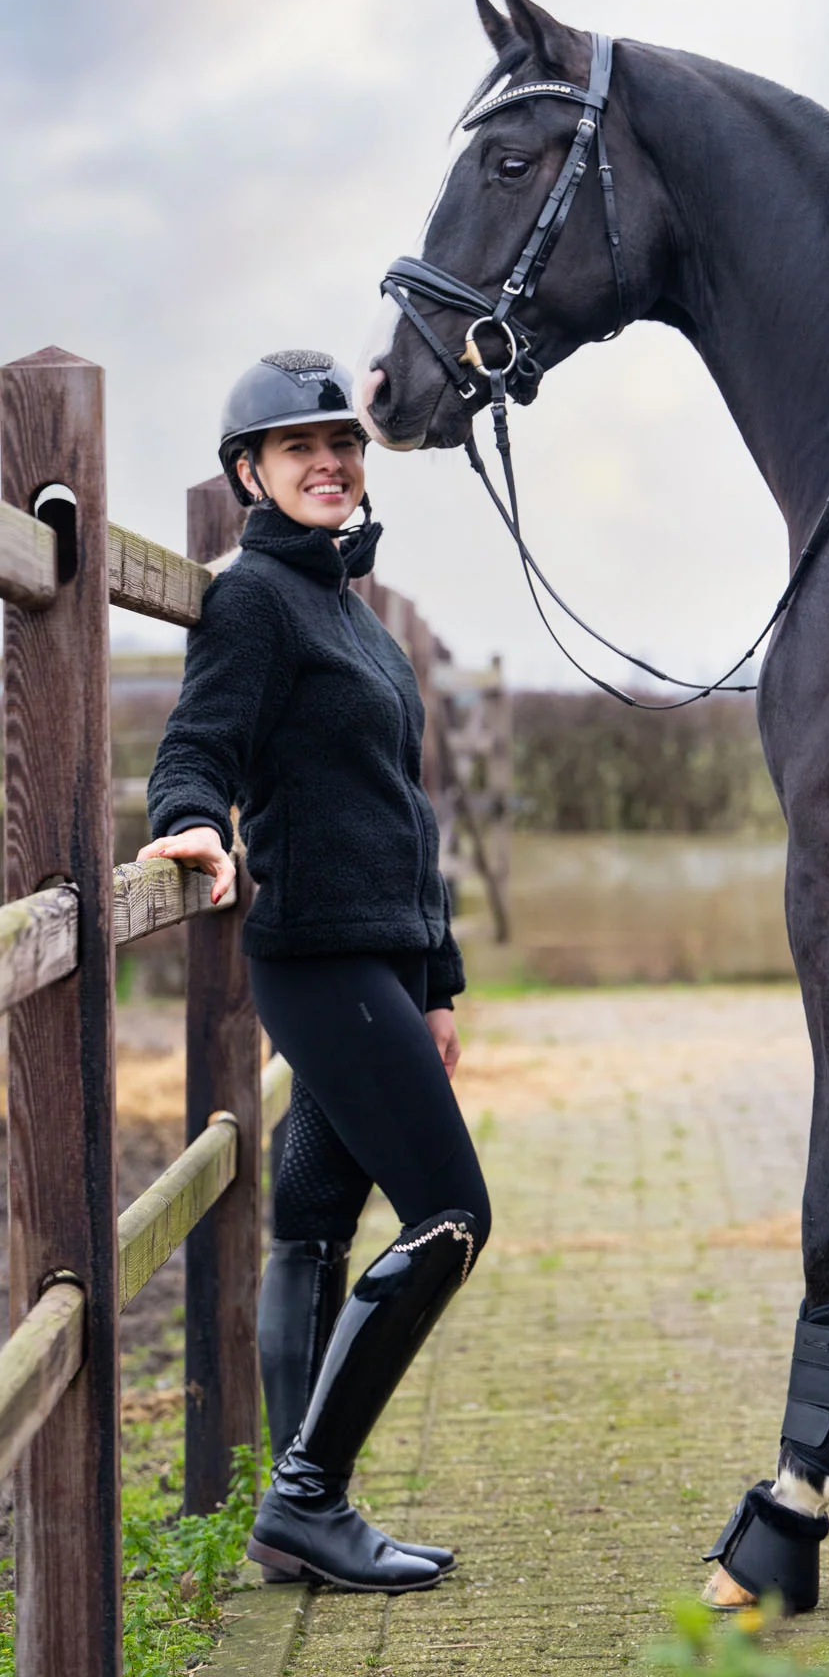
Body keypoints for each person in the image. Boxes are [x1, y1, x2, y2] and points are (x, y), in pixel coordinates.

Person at [141, 350, 491, 1593]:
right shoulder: (255, 601)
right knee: (455, 1214)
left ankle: (299, 1506)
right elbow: (199, 741)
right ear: (251, 472)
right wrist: (188, 820)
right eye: (300, 448)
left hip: (384, 963)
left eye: (341, 441)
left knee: (315, 1223)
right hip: (318, 955)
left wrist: (437, 983)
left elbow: (408, 808)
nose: (330, 462)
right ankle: (305, 1500)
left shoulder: (354, 609)